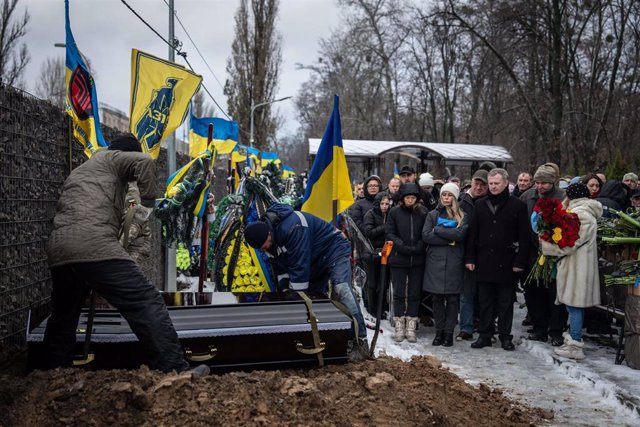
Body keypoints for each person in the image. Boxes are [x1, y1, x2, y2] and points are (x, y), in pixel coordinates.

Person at [43, 134, 204, 375]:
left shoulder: (83, 170)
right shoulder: (112, 158)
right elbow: (144, 162)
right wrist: (148, 204)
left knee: (65, 314)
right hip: (94, 245)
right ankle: (175, 370)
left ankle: (50, 373)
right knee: (145, 300)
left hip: (59, 250)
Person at [243, 203, 369, 361]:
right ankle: (320, 339)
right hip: (313, 261)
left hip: (333, 250)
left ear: (269, 233)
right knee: (313, 300)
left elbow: (299, 267)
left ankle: (359, 340)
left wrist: (293, 297)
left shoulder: (293, 227)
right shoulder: (268, 241)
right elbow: (281, 269)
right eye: (261, 249)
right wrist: (284, 290)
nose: (265, 249)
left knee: (341, 289)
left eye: (264, 246)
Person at [465, 168, 530, 351]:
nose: (493, 187)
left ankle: (505, 336)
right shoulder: (480, 205)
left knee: (505, 302)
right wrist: (470, 258)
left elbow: (524, 237)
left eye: (496, 183)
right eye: (491, 183)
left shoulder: (517, 205)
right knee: (484, 301)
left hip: (507, 261)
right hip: (484, 260)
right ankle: (485, 335)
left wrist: (519, 262)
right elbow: (473, 234)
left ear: (505, 184)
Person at [540, 183, 602, 360]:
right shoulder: (581, 212)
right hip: (575, 266)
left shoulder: (582, 215)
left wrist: (547, 245)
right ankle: (573, 340)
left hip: (578, 268)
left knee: (574, 305)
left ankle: (575, 345)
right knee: (572, 304)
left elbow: (571, 243)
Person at [520, 163, 567, 346]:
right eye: (537, 182)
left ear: (553, 182)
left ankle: (556, 330)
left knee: (554, 294)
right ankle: (539, 328)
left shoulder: (563, 198)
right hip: (532, 253)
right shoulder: (527, 196)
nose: (540, 186)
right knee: (533, 293)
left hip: (554, 254)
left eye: (544, 183)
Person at [422, 183, 468, 347]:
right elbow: (427, 236)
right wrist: (450, 238)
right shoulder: (432, 214)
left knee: (452, 299)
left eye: (449, 195)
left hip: (454, 262)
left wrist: (439, 231)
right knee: (437, 298)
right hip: (435, 262)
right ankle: (439, 331)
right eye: (444, 195)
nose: (446, 198)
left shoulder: (462, 215)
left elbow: (461, 234)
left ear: (455, 197)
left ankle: (449, 333)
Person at [385, 183, 428, 343]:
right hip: (399, 257)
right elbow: (390, 232)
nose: (410, 200)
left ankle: (411, 324)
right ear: (403, 198)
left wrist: (419, 246)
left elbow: (426, 232)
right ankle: (399, 324)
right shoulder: (395, 212)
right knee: (399, 292)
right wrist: (401, 245)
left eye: (413, 197)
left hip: (417, 258)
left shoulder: (423, 212)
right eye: (407, 197)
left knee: (414, 293)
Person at [456, 169, 489, 341]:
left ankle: (485, 325)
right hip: (464, 252)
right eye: (477, 183)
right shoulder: (461, 201)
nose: (479, 187)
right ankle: (466, 327)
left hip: (485, 253)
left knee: (485, 294)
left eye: (483, 185)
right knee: (466, 293)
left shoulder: (490, 202)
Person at [362, 192, 391, 316]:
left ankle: (382, 308)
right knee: (372, 283)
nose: (384, 206)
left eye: (387, 204)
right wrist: (385, 227)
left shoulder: (390, 215)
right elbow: (369, 232)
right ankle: (371, 308)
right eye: (382, 204)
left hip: (386, 253)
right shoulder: (370, 214)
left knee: (383, 283)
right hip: (371, 252)